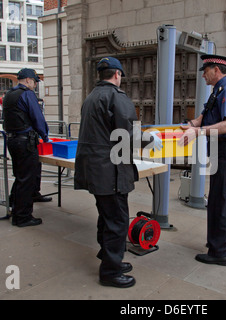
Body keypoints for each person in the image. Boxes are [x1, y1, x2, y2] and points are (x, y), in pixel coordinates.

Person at [74, 57, 160, 288]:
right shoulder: (116, 97)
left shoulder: (91, 97)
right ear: (117, 75)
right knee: (117, 221)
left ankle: (108, 256)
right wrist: (150, 140)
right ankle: (110, 272)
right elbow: (128, 135)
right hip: (109, 170)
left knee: (107, 215)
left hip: (96, 168)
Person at [179, 54, 226, 266]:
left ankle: (219, 252)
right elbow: (205, 116)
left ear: (216, 70)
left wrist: (197, 132)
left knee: (217, 199)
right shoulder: (218, 91)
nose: (203, 75)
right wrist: (191, 124)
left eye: (206, 71)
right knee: (223, 194)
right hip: (221, 147)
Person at [3, 68, 51, 228]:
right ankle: (22, 217)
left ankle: (13, 204)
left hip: (12, 140)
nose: (35, 85)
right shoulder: (27, 94)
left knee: (20, 176)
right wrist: (45, 136)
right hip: (25, 142)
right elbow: (37, 117)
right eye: (35, 82)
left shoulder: (10, 93)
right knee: (27, 179)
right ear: (29, 80)